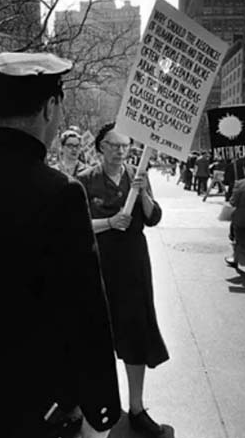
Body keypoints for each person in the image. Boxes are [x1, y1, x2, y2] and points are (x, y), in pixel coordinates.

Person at [0, 52, 121, 438]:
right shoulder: (61, 193)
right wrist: (100, 406)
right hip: (47, 397)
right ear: (50, 107)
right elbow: (87, 307)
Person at [78, 123, 169, 438]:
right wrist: (108, 222)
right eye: (114, 145)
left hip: (133, 265)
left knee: (135, 335)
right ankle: (97, 408)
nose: (120, 151)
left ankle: (137, 407)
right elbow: (75, 225)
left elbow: (154, 217)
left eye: (125, 145)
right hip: (100, 265)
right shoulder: (85, 180)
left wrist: (143, 191)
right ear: (101, 147)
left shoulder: (138, 176)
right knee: (98, 337)